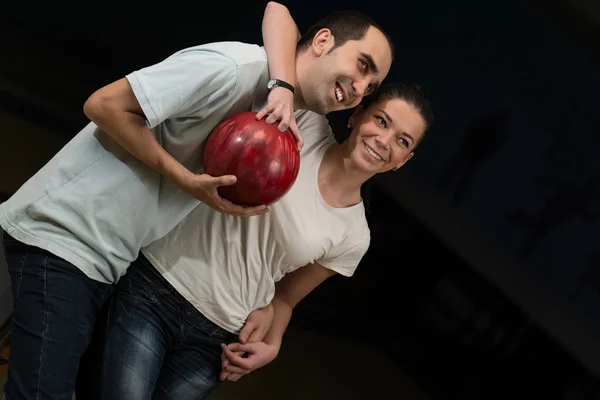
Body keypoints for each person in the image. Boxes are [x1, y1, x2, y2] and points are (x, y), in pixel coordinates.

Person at [0, 2, 394, 399]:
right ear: (324, 41)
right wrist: (186, 180)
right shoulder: (233, 67)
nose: (361, 88)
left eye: (372, 86)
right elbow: (103, 104)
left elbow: (281, 20)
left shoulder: (288, 114)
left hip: (108, 259)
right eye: (362, 65)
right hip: (63, 234)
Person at [80, 81, 433, 399]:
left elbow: (284, 298)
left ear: (405, 159)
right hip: (157, 289)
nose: (384, 141)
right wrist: (283, 83)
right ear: (357, 116)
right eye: (381, 121)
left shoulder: (355, 236)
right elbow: (278, 18)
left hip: (219, 342)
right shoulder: (303, 125)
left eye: (403, 141)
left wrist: (273, 344)